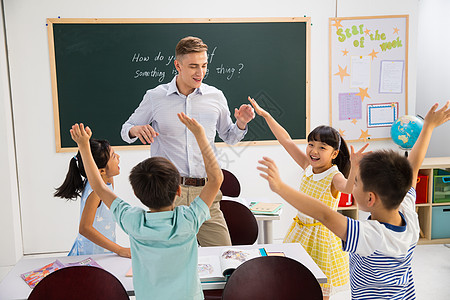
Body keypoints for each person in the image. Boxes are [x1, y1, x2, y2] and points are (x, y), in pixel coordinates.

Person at [258, 101, 450, 299]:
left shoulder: (368, 235)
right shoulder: (408, 213)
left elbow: (323, 214)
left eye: (356, 181)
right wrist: (428, 127)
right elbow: (413, 166)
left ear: (369, 198)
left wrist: (280, 187)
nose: (352, 184)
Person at [71, 112, 223, 299]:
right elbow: (216, 179)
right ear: (178, 191)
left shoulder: (132, 220)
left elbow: (99, 187)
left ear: (136, 194)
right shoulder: (188, 220)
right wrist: (200, 135)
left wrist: (84, 147)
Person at [121, 36, 254, 247]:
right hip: (169, 193)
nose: (199, 72)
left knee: (225, 256)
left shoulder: (216, 96)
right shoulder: (155, 97)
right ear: (177, 65)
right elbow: (125, 129)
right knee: (168, 256)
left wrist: (241, 124)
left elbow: (229, 137)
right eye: (193, 66)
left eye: (204, 65)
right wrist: (136, 129)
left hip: (207, 192)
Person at [249, 97, 367, 298]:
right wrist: (267, 116)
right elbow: (285, 140)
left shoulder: (334, 176)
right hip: (299, 231)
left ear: (334, 153)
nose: (314, 151)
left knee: (320, 288)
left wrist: (355, 167)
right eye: (311, 144)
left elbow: (348, 189)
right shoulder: (307, 166)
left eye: (322, 147)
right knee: (295, 280)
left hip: (321, 237)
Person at [54, 139, 131, 258]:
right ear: (101, 171)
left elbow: (95, 169)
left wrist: (85, 145)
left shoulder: (105, 181)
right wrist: (120, 250)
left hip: (103, 251)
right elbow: (84, 228)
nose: (119, 157)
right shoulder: (96, 192)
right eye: (114, 156)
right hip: (91, 254)